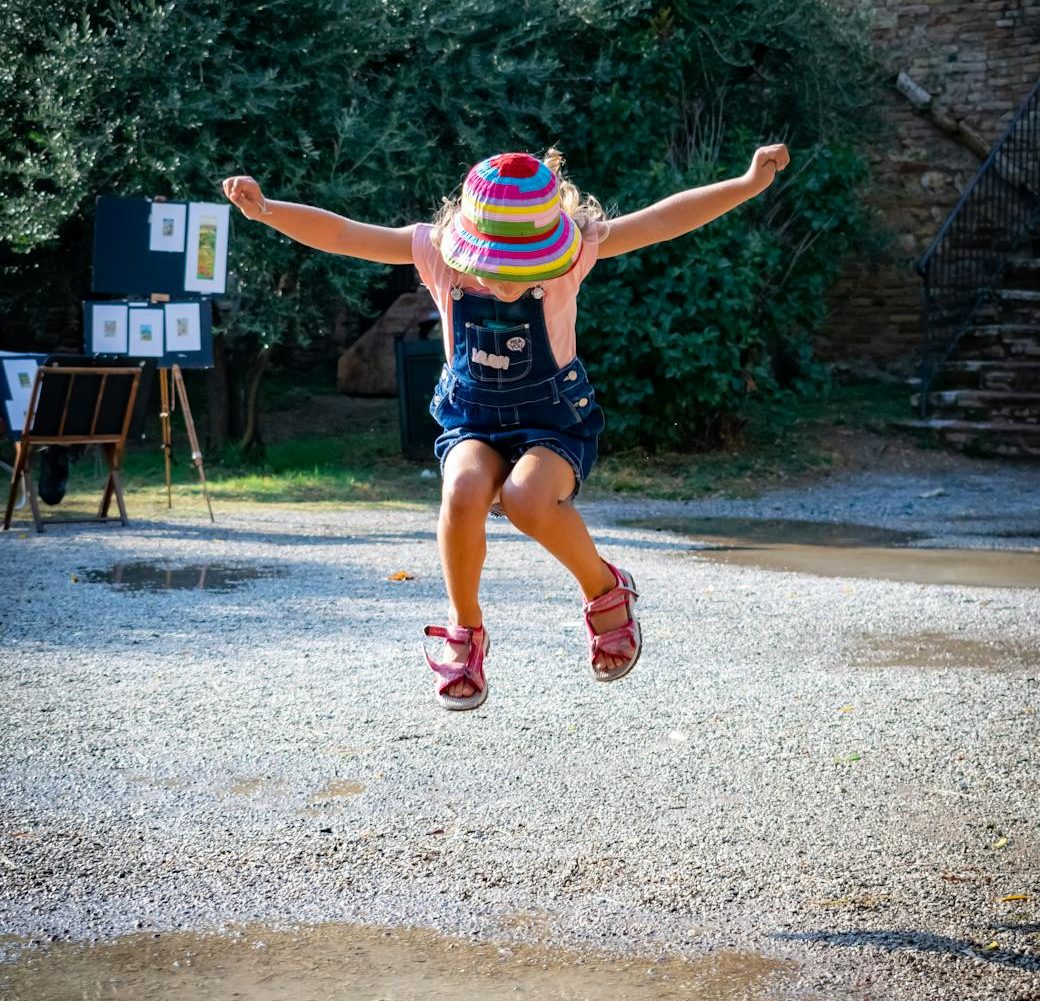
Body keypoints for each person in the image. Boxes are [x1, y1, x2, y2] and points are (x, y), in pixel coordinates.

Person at [222, 141, 790, 710]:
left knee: (526, 500)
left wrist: (745, 185)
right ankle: (465, 630)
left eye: (526, 269)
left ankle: (604, 588)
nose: (507, 284)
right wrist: (269, 210)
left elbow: (664, 220)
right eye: (494, 268)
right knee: (463, 490)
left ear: (553, 251)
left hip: (553, 419)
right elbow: (346, 234)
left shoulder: (578, 250)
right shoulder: (434, 252)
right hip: (472, 417)